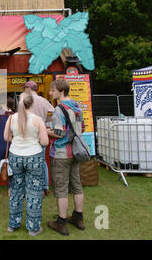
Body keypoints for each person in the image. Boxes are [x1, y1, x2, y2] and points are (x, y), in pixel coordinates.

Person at [4, 92, 49, 236]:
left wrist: (18, 138)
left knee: (16, 191)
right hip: (34, 157)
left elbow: (6, 137)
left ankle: (13, 224)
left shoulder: (11, 118)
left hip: (15, 156)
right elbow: (45, 142)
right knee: (34, 193)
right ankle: (33, 228)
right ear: (32, 103)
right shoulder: (38, 119)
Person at [46, 80, 86, 236]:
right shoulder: (76, 106)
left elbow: (59, 133)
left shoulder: (58, 109)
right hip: (75, 152)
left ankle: (61, 222)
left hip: (61, 153)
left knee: (61, 188)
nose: (50, 92)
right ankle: (78, 218)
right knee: (77, 185)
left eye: (52, 90)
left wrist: (45, 130)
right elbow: (81, 127)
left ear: (61, 91)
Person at [24, 80, 54, 196]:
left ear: (28, 88)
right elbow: (53, 112)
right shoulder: (43, 101)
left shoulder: (25, 101)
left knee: (29, 162)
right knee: (42, 161)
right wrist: (47, 121)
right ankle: (44, 187)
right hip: (42, 134)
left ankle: (33, 187)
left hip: (29, 135)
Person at [0, 96, 15, 196]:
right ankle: (11, 189)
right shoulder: (15, 116)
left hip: (5, 145)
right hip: (12, 145)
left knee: (8, 167)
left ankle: (10, 190)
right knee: (11, 167)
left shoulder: (4, 116)